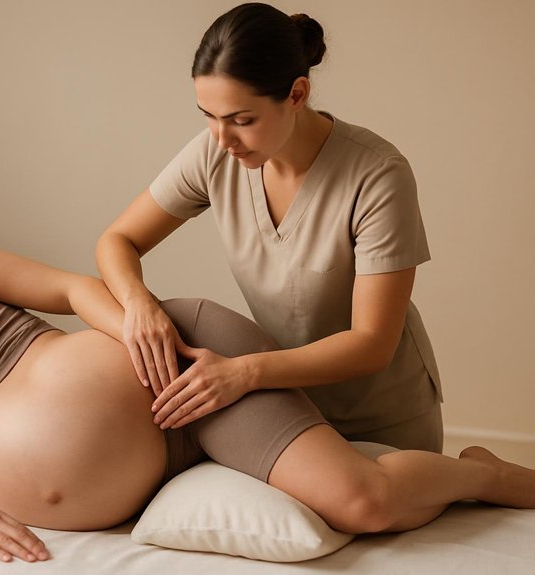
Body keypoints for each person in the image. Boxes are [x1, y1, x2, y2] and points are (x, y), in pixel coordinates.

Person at [0, 221, 535, 564]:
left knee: (359, 502)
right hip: (153, 466)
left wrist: (139, 340)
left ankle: (487, 473)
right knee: (354, 502)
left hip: (187, 374)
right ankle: (471, 471)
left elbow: (73, 288)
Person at [96, 2, 443, 451]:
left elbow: (372, 343)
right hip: (289, 411)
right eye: (208, 115)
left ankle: (484, 470)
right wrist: (138, 304)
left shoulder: (377, 175)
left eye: (243, 120)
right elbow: (117, 241)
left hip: (383, 416)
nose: (223, 139)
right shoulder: (215, 153)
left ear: (297, 95)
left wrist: (243, 371)